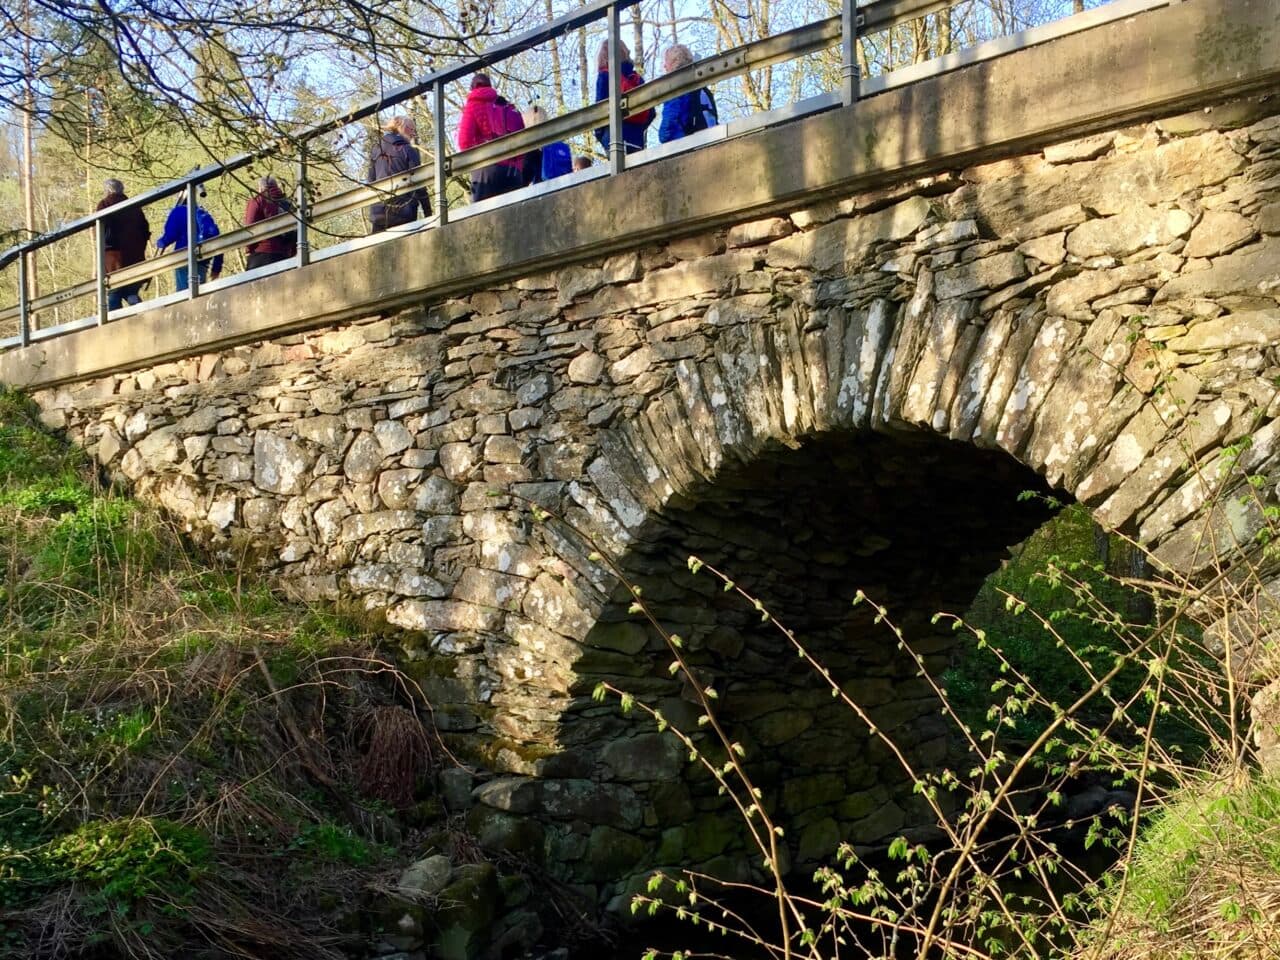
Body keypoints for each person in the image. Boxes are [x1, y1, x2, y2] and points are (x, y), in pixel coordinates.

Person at [458, 75, 526, 202]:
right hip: (512, 172)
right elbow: (523, 141)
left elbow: (464, 142)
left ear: (472, 88)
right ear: (490, 86)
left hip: (486, 171)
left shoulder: (472, 105)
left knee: (482, 219)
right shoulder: (507, 107)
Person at [366, 116, 432, 234]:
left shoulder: (376, 150)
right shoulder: (407, 150)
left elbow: (371, 181)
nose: (413, 134)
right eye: (412, 130)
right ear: (403, 127)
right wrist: (429, 214)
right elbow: (419, 182)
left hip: (379, 214)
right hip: (404, 213)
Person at [95, 178, 151, 311]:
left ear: (108, 190)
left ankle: (115, 325)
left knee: (114, 292)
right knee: (131, 292)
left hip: (114, 260)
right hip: (135, 259)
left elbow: (102, 230)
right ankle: (144, 317)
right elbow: (145, 229)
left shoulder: (104, 204)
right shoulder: (134, 206)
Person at [155, 186, 223, 292]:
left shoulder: (178, 212)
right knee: (199, 292)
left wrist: (161, 242)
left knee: (184, 294)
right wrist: (216, 267)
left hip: (183, 258)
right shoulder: (201, 213)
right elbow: (215, 236)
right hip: (202, 259)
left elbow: (170, 235)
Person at [593, 40, 654, 154]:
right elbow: (651, 112)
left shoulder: (605, 76)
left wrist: (600, 135)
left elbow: (599, 111)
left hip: (612, 136)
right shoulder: (636, 78)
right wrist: (639, 129)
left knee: (618, 170)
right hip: (636, 138)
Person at [658, 44, 719, 144]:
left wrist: (663, 138)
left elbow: (669, 124)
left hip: (681, 144)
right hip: (706, 140)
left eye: (666, 61)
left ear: (674, 62)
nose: (664, 65)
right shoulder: (702, 88)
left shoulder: (674, 86)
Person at [243, 175, 297, 269]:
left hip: (261, 255)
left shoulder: (257, 200)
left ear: (260, 188)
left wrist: (248, 249)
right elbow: (296, 230)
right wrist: (291, 252)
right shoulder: (288, 204)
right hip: (284, 256)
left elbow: (250, 229)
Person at [520, 105, 572, 187]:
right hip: (563, 186)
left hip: (542, 190)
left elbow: (524, 178)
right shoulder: (558, 144)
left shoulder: (529, 147)